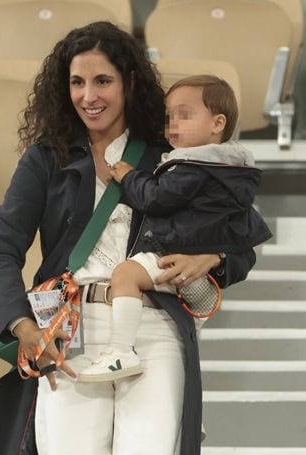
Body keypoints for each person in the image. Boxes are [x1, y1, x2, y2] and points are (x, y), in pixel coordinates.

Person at [0, 21, 257, 455]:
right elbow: (1, 253)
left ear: (129, 84)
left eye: (102, 81)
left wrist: (213, 258)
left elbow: (243, 235)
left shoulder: (170, 153)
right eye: (78, 82)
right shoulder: (45, 159)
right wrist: (23, 327)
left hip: (154, 329)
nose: (88, 95)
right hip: (69, 334)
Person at [77, 75, 272, 383]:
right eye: (169, 117)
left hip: (169, 251)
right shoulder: (231, 171)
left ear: (217, 123)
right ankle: (186, 395)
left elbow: (157, 197)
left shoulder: (193, 165)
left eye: (185, 114)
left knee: (125, 274)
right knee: (184, 339)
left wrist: (129, 177)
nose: (173, 124)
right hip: (190, 267)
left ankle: (120, 351)